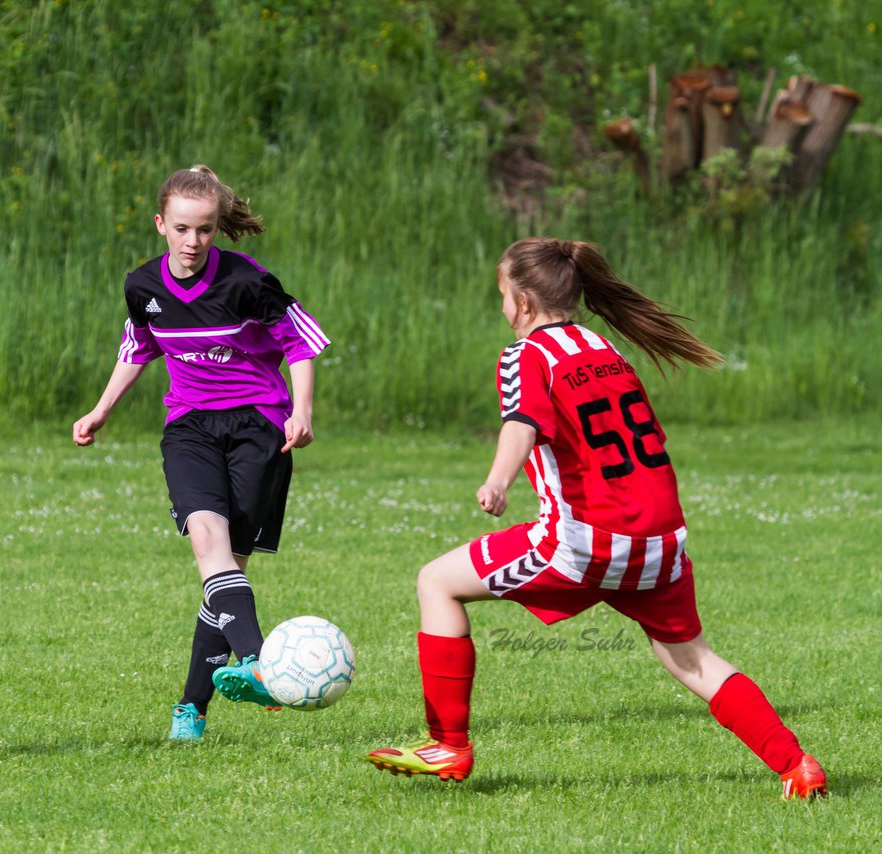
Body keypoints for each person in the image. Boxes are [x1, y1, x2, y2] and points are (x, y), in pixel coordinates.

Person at [366, 237, 826, 799]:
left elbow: (522, 422)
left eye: (504, 296)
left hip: (584, 543)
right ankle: (797, 766)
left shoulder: (526, 354)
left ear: (524, 303)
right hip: (661, 541)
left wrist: (497, 480)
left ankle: (448, 745)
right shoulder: (607, 350)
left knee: (436, 581)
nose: (504, 308)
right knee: (692, 659)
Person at [72, 165, 330, 742]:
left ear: (217, 229)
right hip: (188, 428)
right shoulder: (143, 286)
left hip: (259, 428)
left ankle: (192, 707)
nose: (193, 242)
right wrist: (101, 409)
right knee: (209, 546)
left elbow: (302, 342)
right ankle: (261, 662)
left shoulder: (247, 281)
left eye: (206, 230)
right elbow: (138, 346)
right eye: (183, 229)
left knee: (227, 570)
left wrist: (302, 411)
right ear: (161, 224)